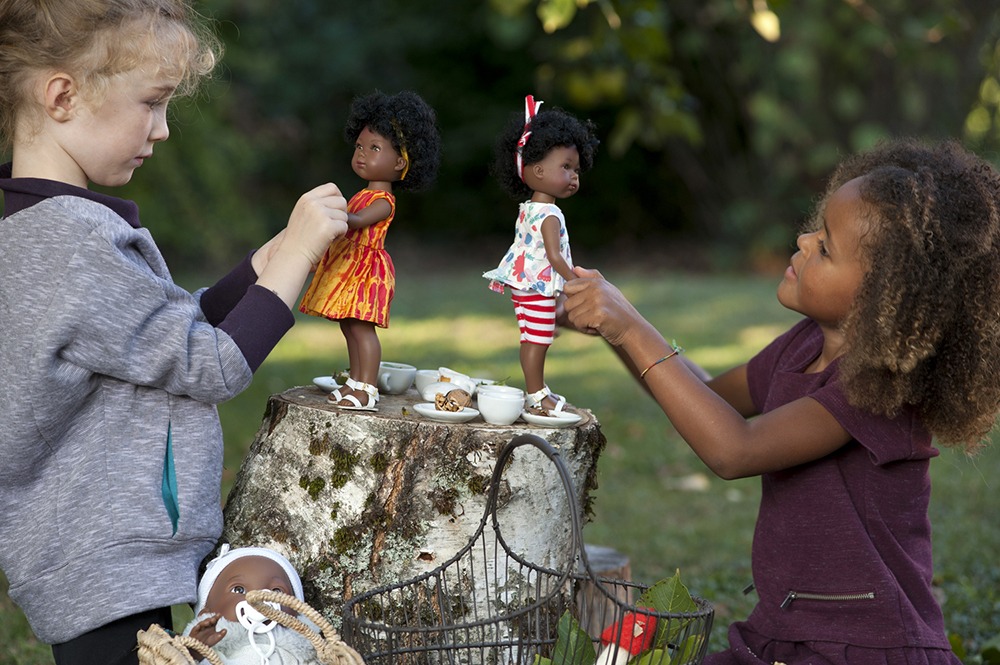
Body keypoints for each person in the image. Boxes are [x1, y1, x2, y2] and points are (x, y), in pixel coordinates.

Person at [0, 2, 349, 663]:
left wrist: (267, 261)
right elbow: (211, 365)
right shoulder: (75, 243)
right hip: (103, 564)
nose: (161, 130)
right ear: (63, 96)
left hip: (94, 553)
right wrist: (297, 259)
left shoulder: (50, 231)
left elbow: (160, 335)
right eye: (152, 102)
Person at [562, 138, 1000, 665]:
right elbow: (702, 399)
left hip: (866, 647)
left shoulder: (878, 396)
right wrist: (614, 326)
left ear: (886, 298)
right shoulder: (804, 345)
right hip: (782, 635)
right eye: (816, 230)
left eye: (826, 248)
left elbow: (734, 450)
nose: (802, 239)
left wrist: (630, 327)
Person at [300, 90, 441, 411]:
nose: (362, 154)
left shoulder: (382, 201)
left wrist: (336, 214)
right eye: (360, 147)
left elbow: (359, 221)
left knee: (362, 328)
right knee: (348, 325)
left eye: (374, 148)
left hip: (365, 272)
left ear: (400, 162)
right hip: (348, 265)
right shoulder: (363, 194)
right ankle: (354, 380)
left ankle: (367, 387)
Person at [483, 95, 599, 415]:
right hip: (534, 285)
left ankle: (537, 391)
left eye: (576, 169)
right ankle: (536, 395)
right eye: (566, 167)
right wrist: (575, 279)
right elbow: (553, 256)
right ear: (536, 169)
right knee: (537, 341)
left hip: (525, 284)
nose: (574, 175)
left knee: (534, 337)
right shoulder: (549, 213)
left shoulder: (529, 209)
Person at [182, 545, 322, 664]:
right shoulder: (213, 655)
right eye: (239, 590)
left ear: (297, 613)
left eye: (276, 591)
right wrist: (195, 653)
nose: (258, 599)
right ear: (206, 614)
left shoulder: (303, 657)